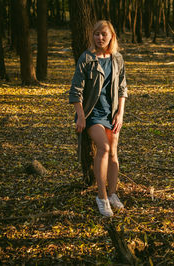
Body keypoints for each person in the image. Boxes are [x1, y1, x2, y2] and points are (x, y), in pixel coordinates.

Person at [69, 20, 128, 217]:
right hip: (92, 114)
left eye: (104, 34)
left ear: (111, 36)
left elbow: (122, 88)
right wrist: (80, 116)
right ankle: (101, 197)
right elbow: (76, 90)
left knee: (113, 154)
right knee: (104, 147)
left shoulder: (117, 58)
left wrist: (120, 113)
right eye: (96, 34)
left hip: (112, 113)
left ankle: (112, 194)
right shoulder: (86, 58)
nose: (100, 38)